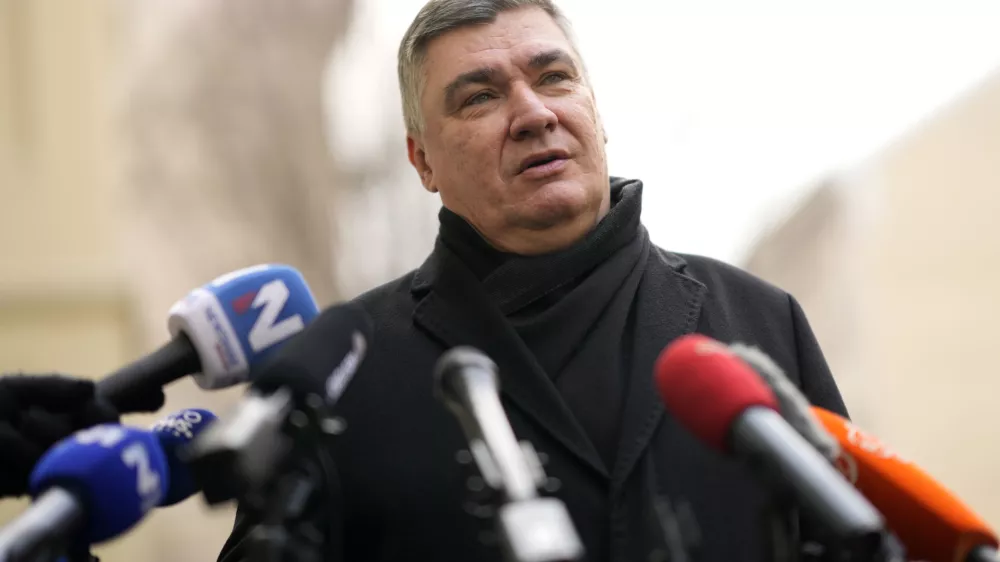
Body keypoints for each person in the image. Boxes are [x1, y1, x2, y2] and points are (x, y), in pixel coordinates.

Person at [219, 1, 850, 561]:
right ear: (423, 161)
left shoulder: (762, 321)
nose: (533, 113)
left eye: (554, 77)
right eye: (480, 97)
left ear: (596, 112)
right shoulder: (345, 372)